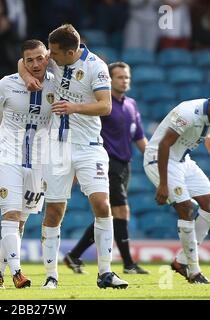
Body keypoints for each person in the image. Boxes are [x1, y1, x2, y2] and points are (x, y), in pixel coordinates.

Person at [18, 24, 128, 289]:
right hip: (57, 147)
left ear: (71, 51)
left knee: (102, 205)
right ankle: (51, 276)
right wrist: (26, 77)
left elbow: (105, 105)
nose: (48, 58)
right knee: (54, 210)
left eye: (53, 53)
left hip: (89, 146)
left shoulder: (96, 67)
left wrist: (73, 107)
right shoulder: (55, 60)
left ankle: (105, 273)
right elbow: (22, 61)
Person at [0, 39, 54, 289]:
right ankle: (17, 272)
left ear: (47, 57)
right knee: (11, 214)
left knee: (21, 222)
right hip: (6, 154)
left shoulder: (57, 83)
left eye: (40, 58)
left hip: (38, 160)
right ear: (23, 62)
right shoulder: (7, 84)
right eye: (29, 60)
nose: (35, 64)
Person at [63, 62, 149, 275]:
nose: (124, 80)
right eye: (119, 77)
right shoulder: (102, 105)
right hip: (106, 162)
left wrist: (153, 159)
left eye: (126, 76)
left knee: (109, 214)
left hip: (124, 165)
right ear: (109, 80)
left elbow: (138, 136)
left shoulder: (132, 105)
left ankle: (74, 255)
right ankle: (128, 264)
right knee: (120, 211)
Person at [143, 98, 210, 284]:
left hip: (182, 160)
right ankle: (194, 271)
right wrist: (163, 184)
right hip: (159, 159)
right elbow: (164, 144)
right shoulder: (188, 112)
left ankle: (181, 261)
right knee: (186, 208)